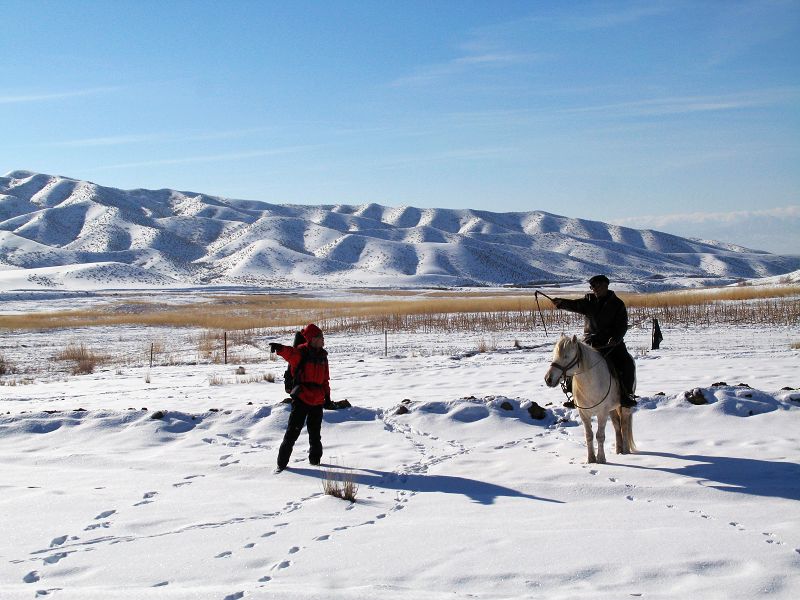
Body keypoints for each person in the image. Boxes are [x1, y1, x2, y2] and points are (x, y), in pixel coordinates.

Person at [551, 275, 637, 408]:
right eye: (592, 286)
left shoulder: (617, 304)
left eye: (596, 286)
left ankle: (626, 395)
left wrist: (615, 338)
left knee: (627, 363)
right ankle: (574, 395)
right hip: (590, 343)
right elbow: (575, 305)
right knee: (572, 362)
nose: (594, 289)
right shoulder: (588, 301)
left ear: (605, 286)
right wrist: (561, 303)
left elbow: (622, 326)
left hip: (612, 344)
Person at [269, 323, 331, 472]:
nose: (323, 340)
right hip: (302, 399)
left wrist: (327, 397)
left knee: (315, 434)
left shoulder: (323, 357)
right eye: (320, 337)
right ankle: (281, 465)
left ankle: (315, 462)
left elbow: (325, 380)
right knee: (292, 433)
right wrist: (280, 348)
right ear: (312, 339)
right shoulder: (301, 353)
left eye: (322, 337)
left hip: (317, 401)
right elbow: (290, 353)